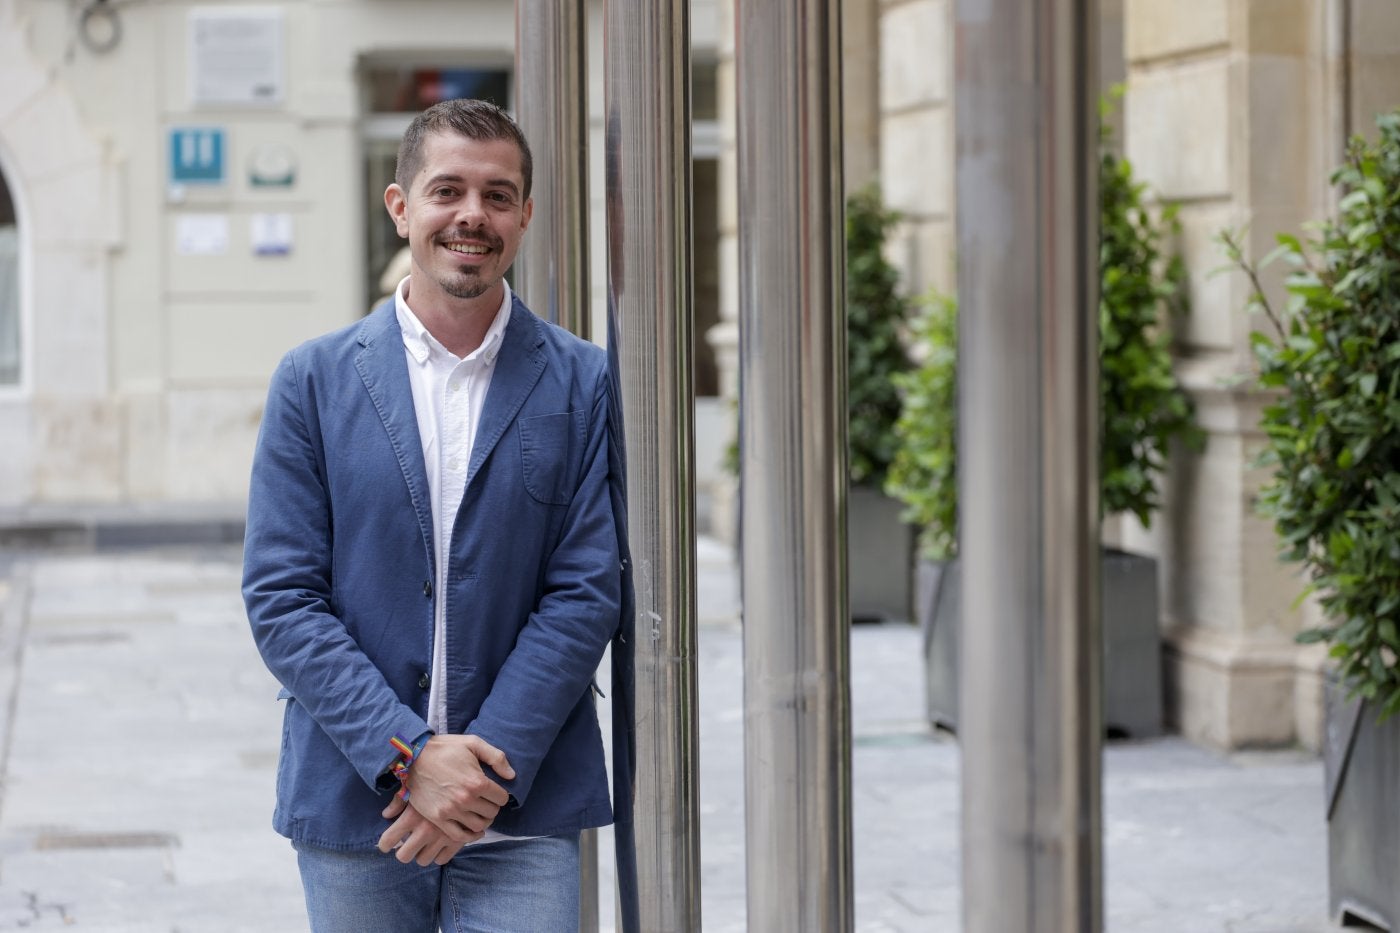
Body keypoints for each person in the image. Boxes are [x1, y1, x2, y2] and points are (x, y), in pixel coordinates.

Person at [242, 98, 634, 932]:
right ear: (400, 207)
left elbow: (584, 590)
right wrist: (409, 758)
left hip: (523, 810)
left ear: (526, 215)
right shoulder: (310, 381)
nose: (472, 215)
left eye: (498, 195)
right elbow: (282, 597)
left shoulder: (582, 379)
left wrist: (478, 776)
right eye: (447, 190)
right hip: (359, 810)